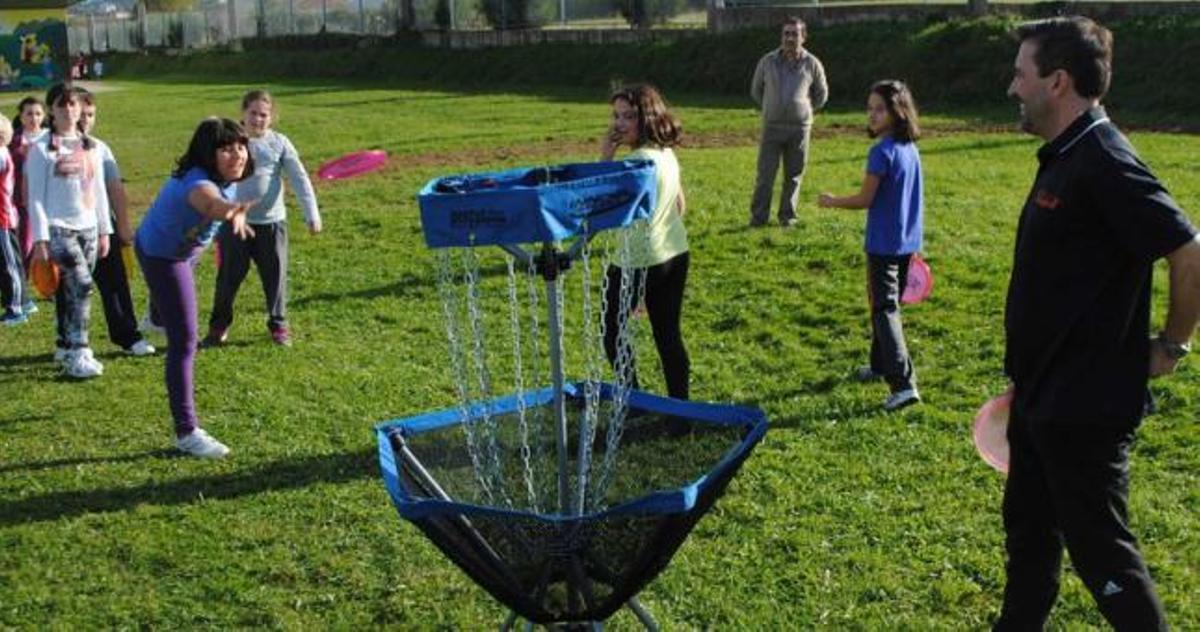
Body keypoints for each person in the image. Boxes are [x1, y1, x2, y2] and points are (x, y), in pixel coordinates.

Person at [997, 16, 1200, 630]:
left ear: (1058, 82)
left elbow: (1189, 252)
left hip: (1084, 406)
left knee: (1104, 558)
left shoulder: (1104, 158)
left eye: (1021, 74)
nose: (1012, 88)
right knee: (1029, 539)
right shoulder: (1066, 153)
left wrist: (1172, 345)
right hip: (1041, 395)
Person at [135, 117, 255, 458]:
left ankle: (155, 316)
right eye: (226, 149)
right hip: (163, 256)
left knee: (169, 309)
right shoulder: (198, 183)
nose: (238, 154)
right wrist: (232, 211)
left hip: (169, 246)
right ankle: (186, 432)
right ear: (207, 154)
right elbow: (210, 204)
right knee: (185, 341)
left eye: (241, 146)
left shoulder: (224, 178)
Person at [818, 80, 923, 411]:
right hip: (907, 242)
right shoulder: (910, 149)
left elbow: (865, 199)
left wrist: (833, 201)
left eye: (880, 109)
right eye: (870, 108)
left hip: (883, 246)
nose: (872, 115)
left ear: (897, 112)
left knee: (884, 308)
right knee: (885, 305)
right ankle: (880, 366)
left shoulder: (881, 153)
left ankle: (903, 385)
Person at [203, 89, 321, 348]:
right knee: (228, 278)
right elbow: (209, 176)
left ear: (272, 117)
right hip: (234, 223)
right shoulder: (230, 140)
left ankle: (278, 324)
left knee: (275, 276)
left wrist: (311, 214)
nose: (258, 119)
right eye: (253, 113)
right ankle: (218, 327)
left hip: (271, 224)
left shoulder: (279, 143)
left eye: (264, 115)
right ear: (243, 113)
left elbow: (299, 178)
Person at [600, 83, 691, 401]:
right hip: (675, 252)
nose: (619, 124)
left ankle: (635, 402)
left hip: (638, 259)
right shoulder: (666, 153)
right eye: (616, 116)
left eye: (628, 116)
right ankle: (681, 413)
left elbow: (603, 206)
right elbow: (680, 205)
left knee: (611, 331)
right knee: (668, 336)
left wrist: (606, 155)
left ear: (647, 117)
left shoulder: (636, 161)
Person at [26, 84, 112, 379]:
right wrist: (40, 239)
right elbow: (35, 198)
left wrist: (104, 230)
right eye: (61, 105)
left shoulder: (92, 146)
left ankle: (64, 341)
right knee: (83, 285)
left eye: (73, 104)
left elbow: (99, 190)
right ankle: (79, 351)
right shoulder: (41, 149)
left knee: (70, 288)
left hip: (88, 227)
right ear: (51, 110)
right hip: (58, 228)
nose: (68, 110)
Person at [76, 88, 156, 357]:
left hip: (101, 225)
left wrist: (121, 225)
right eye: (81, 113)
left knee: (114, 283)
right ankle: (70, 342)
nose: (85, 120)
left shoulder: (100, 148)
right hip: (67, 228)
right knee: (72, 289)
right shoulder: (49, 147)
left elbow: (115, 189)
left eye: (90, 114)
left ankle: (128, 336)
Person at [749, 16, 828, 228]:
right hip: (772, 127)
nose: (790, 38)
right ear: (781, 36)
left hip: (799, 130)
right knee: (765, 176)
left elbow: (822, 94)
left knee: (793, 176)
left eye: (795, 34)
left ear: (804, 37)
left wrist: (804, 110)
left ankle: (787, 217)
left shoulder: (812, 63)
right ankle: (758, 219)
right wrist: (770, 107)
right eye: (786, 33)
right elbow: (756, 90)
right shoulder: (767, 61)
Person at [9, 96, 48, 314]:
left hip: (50, 202)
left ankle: (51, 286)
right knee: (24, 247)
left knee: (53, 247)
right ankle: (20, 291)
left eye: (38, 113)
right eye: (29, 114)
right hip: (22, 204)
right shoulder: (13, 142)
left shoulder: (51, 139)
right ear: (21, 116)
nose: (34, 118)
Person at [0, 116, 27, 326]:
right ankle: (21, 301)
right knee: (9, 263)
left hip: (3, 218)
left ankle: (16, 308)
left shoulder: (1, 154)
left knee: (9, 264)